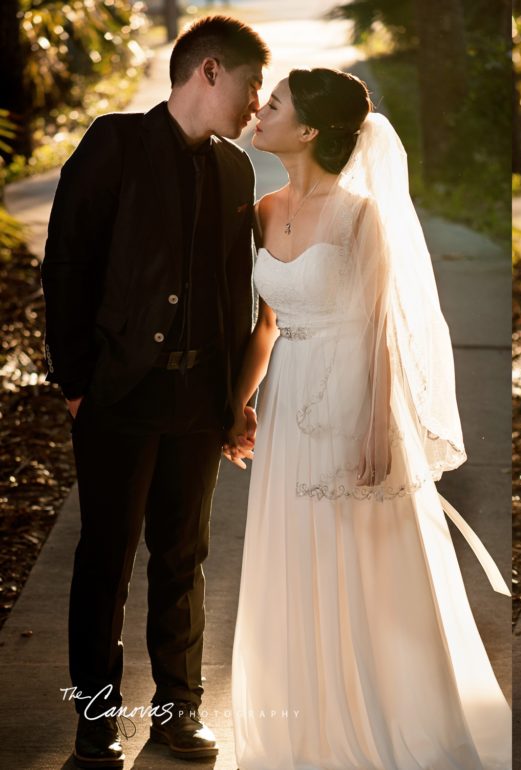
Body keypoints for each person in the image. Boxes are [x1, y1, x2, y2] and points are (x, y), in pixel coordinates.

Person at [224, 68, 512, 770]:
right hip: (289, 400)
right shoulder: (263, 210)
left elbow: (385, 328)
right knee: (294, 554)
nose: (261, 110)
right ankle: (310, 725)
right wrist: (235, 405)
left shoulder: (363, 216)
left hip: (355, 397)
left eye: (277, 103)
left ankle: (382, 719)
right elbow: (265, 324)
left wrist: (380, 429)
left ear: (311, 130)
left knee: (362, 565)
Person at [40, 16, 268, 768]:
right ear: (208, 71)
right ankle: (97, 720)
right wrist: (77, 384)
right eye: (249, 83)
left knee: (183, 557)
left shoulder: (236, 170)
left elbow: (237, 292)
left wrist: (234, 397)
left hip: (198, 402)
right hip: (118, 396)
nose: (255, 100)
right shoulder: (114, 145)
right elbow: (67, 266)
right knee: (105, 557)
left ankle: (180, 711)